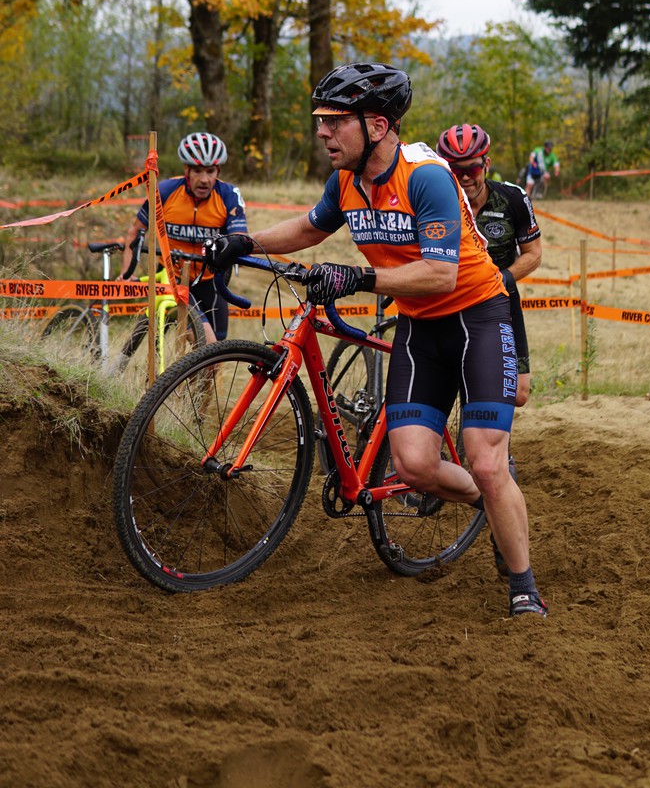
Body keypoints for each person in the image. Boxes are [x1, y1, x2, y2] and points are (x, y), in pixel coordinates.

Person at [206, 62, 547, 619]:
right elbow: (311, 230)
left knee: (487, 462)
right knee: (413, 467)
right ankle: (495, 502)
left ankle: (522, 584)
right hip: (419, 326)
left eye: (334, 122)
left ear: (378, 126)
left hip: (479, 318)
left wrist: (358, 277)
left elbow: (440, 273)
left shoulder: (426, 177)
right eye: (320, 120)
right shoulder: (345, 180)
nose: (322, 132)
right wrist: (243, 243)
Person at [436, 123, 541, 408]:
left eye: (472, 168)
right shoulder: (435, 202)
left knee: (519, 394)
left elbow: (533, 254)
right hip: (450, 301)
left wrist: (501, 279)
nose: (465, 177)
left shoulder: (513, 199)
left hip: (500, 299)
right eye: (456, 171)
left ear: (487, 164)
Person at [119, 131, 248, 342]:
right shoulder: (166, 191)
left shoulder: (228, 195)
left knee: (216, 359)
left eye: (210, 171)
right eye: (197, 171)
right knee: (205, 343)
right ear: (186, 170)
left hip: (212, 281)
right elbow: (135, 231)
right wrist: (126, 274)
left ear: (219, 170)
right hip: (174, 277)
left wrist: (234, 248)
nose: (204, 179)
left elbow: (240, 238)